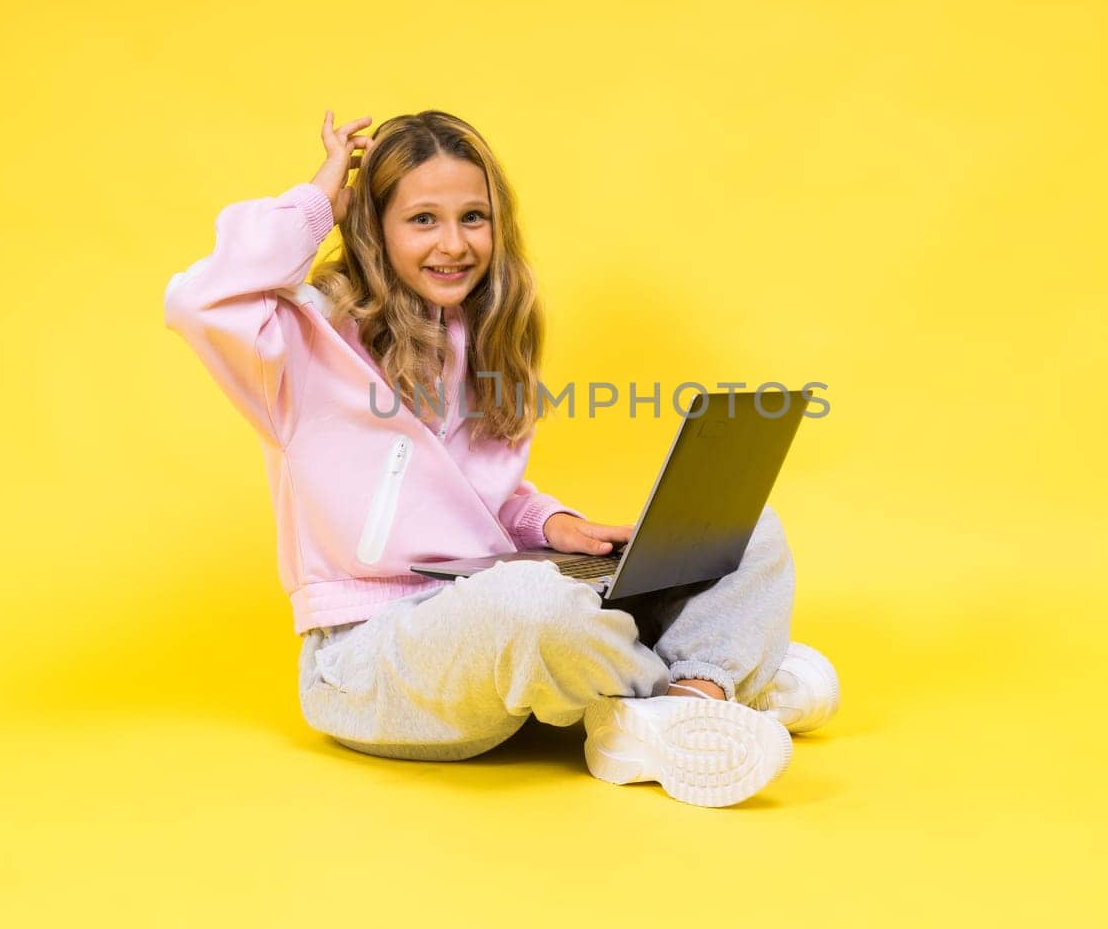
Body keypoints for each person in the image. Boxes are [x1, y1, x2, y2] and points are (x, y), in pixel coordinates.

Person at [163, 108, 840, 807]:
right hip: (371, 661)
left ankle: (682, 700)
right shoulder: (301, 343)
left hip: (491, 602)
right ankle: (718, 684)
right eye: (422, 219)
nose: (453, 244)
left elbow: (477, 497)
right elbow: (195, 299)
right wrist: (314, 205)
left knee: (746, 528)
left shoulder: (484, 335)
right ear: (372, 226)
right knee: (529, 601)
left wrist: (550, 525)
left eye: (473, 218)